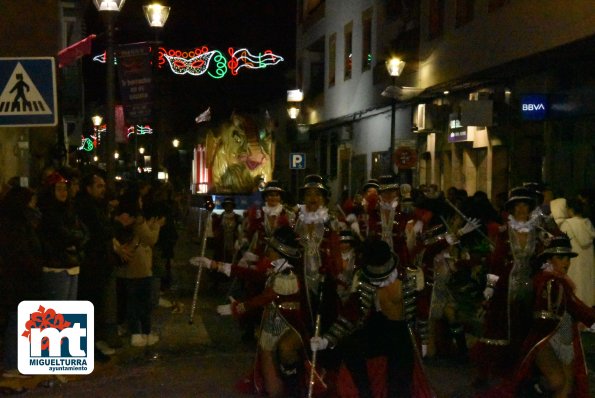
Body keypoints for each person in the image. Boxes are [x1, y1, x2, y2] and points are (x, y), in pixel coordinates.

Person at [310, 239, 434, 398]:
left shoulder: (411, 277)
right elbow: (350, 315)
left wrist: (423, 339)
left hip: (403, 331)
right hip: (378, 326)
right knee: (350, 346)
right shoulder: (362, 278)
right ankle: (365, 393)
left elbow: (421, 310)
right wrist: (325, 340)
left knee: (399, 381)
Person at [210, 226, 315, 398]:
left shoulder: (288, 276)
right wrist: (215, 265)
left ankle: (296, 391)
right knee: (270, 381)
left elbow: (265, 298)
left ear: (280, 252)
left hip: (289, 326)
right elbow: (252, 275)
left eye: (271, 248)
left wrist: (237, 308)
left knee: (286, 352)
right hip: (271, 326)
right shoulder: (274, 270)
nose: (267, 251)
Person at [487, 235, 595, 397]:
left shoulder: (558, 280)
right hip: (544, 339)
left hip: (565, 340)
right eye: (560, 258)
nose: (566, 262)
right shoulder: (548, 280)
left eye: (568, 258)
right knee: (557, 381)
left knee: (567, 384)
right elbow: (574, 306)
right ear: (550, 259)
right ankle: (529, 390)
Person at [472, 186, 542, 387]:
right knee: (499, 327)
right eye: (517, 206)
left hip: (530, 287)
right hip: (505, 287)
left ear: (530, 209)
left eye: (525, 206)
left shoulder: (538, 234)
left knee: (526, 328)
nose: (521, 210)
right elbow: (495, 262)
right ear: (511, 209)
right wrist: (490, 286)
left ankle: (525, 370)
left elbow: (541, 259)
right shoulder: (504, 233)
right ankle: (497, 370)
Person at [0, 186, 43, 378]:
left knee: (19, 319)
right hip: (16, 279)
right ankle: (12, 364)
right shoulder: (14, 224)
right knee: (16, 320)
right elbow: (19, 253)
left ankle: (17, 361)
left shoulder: (19, 222)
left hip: (20, 278)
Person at [560, 197, 595, 308]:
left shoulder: (566, 225)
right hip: (587, 268)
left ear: (570, 210)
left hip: (573, 266)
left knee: (574, 300)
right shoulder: (588, 225)